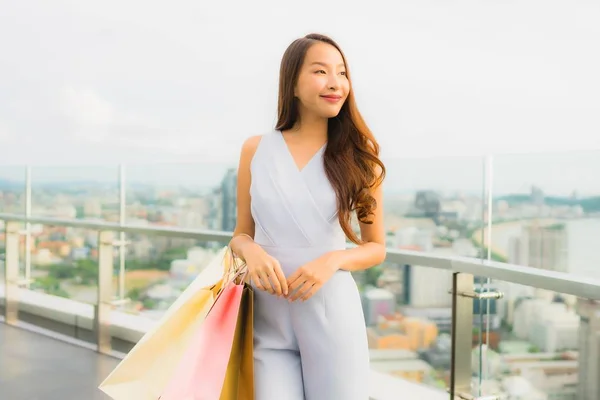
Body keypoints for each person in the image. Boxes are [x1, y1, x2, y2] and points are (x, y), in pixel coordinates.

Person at [229, 33, 386, 400]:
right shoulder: (255, 150)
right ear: (293, 84)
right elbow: (240, 233)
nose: (335, 83)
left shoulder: (359, 155)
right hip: (266, 316)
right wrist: (251, 252)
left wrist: (333, 260)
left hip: (331, 311)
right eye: (321, 71)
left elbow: (376, 247)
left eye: (342, 73)